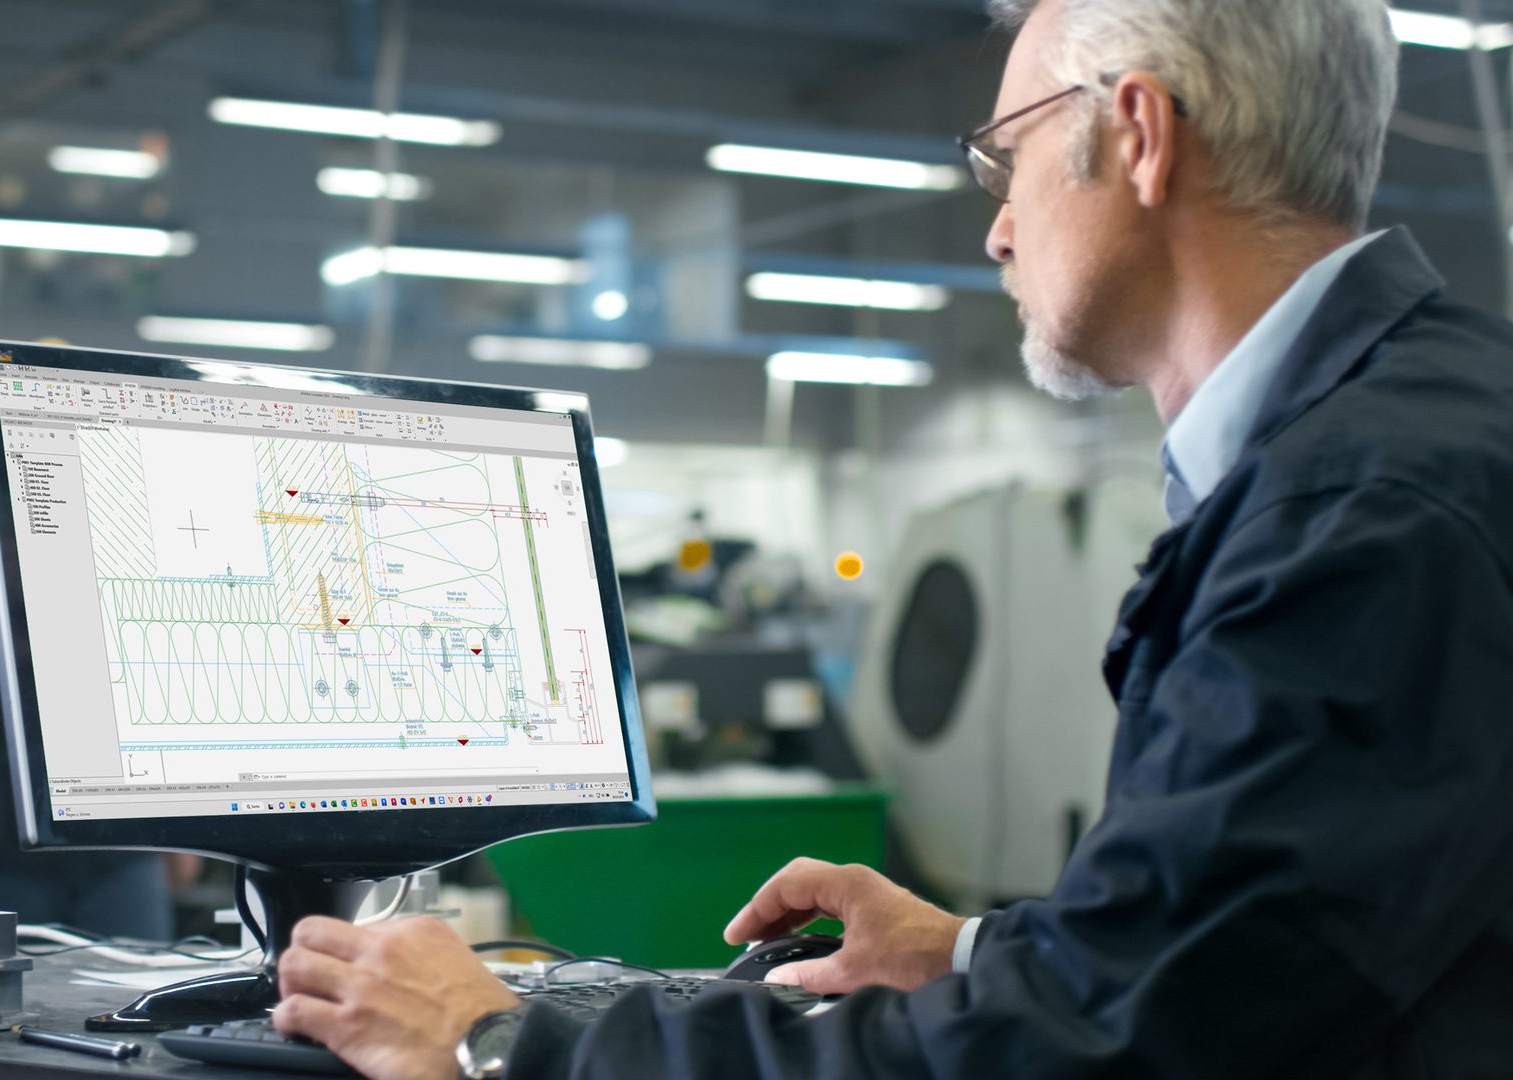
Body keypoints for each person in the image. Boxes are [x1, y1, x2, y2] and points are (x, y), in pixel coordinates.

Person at [268, 0, 1513, 1076]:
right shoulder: (1407, 435)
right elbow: (1243, 953)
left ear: (1139, 135)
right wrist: (962, 951)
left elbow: (1093, 1051)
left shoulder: (1360, 513)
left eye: (1006, 158)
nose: (998, 228)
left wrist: (511, 1046)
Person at [0, 514, 179, 939]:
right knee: (6, 998)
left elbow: (150, 689)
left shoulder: (118, 542)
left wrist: (170, 831)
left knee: (138, 993)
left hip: (119, 853)